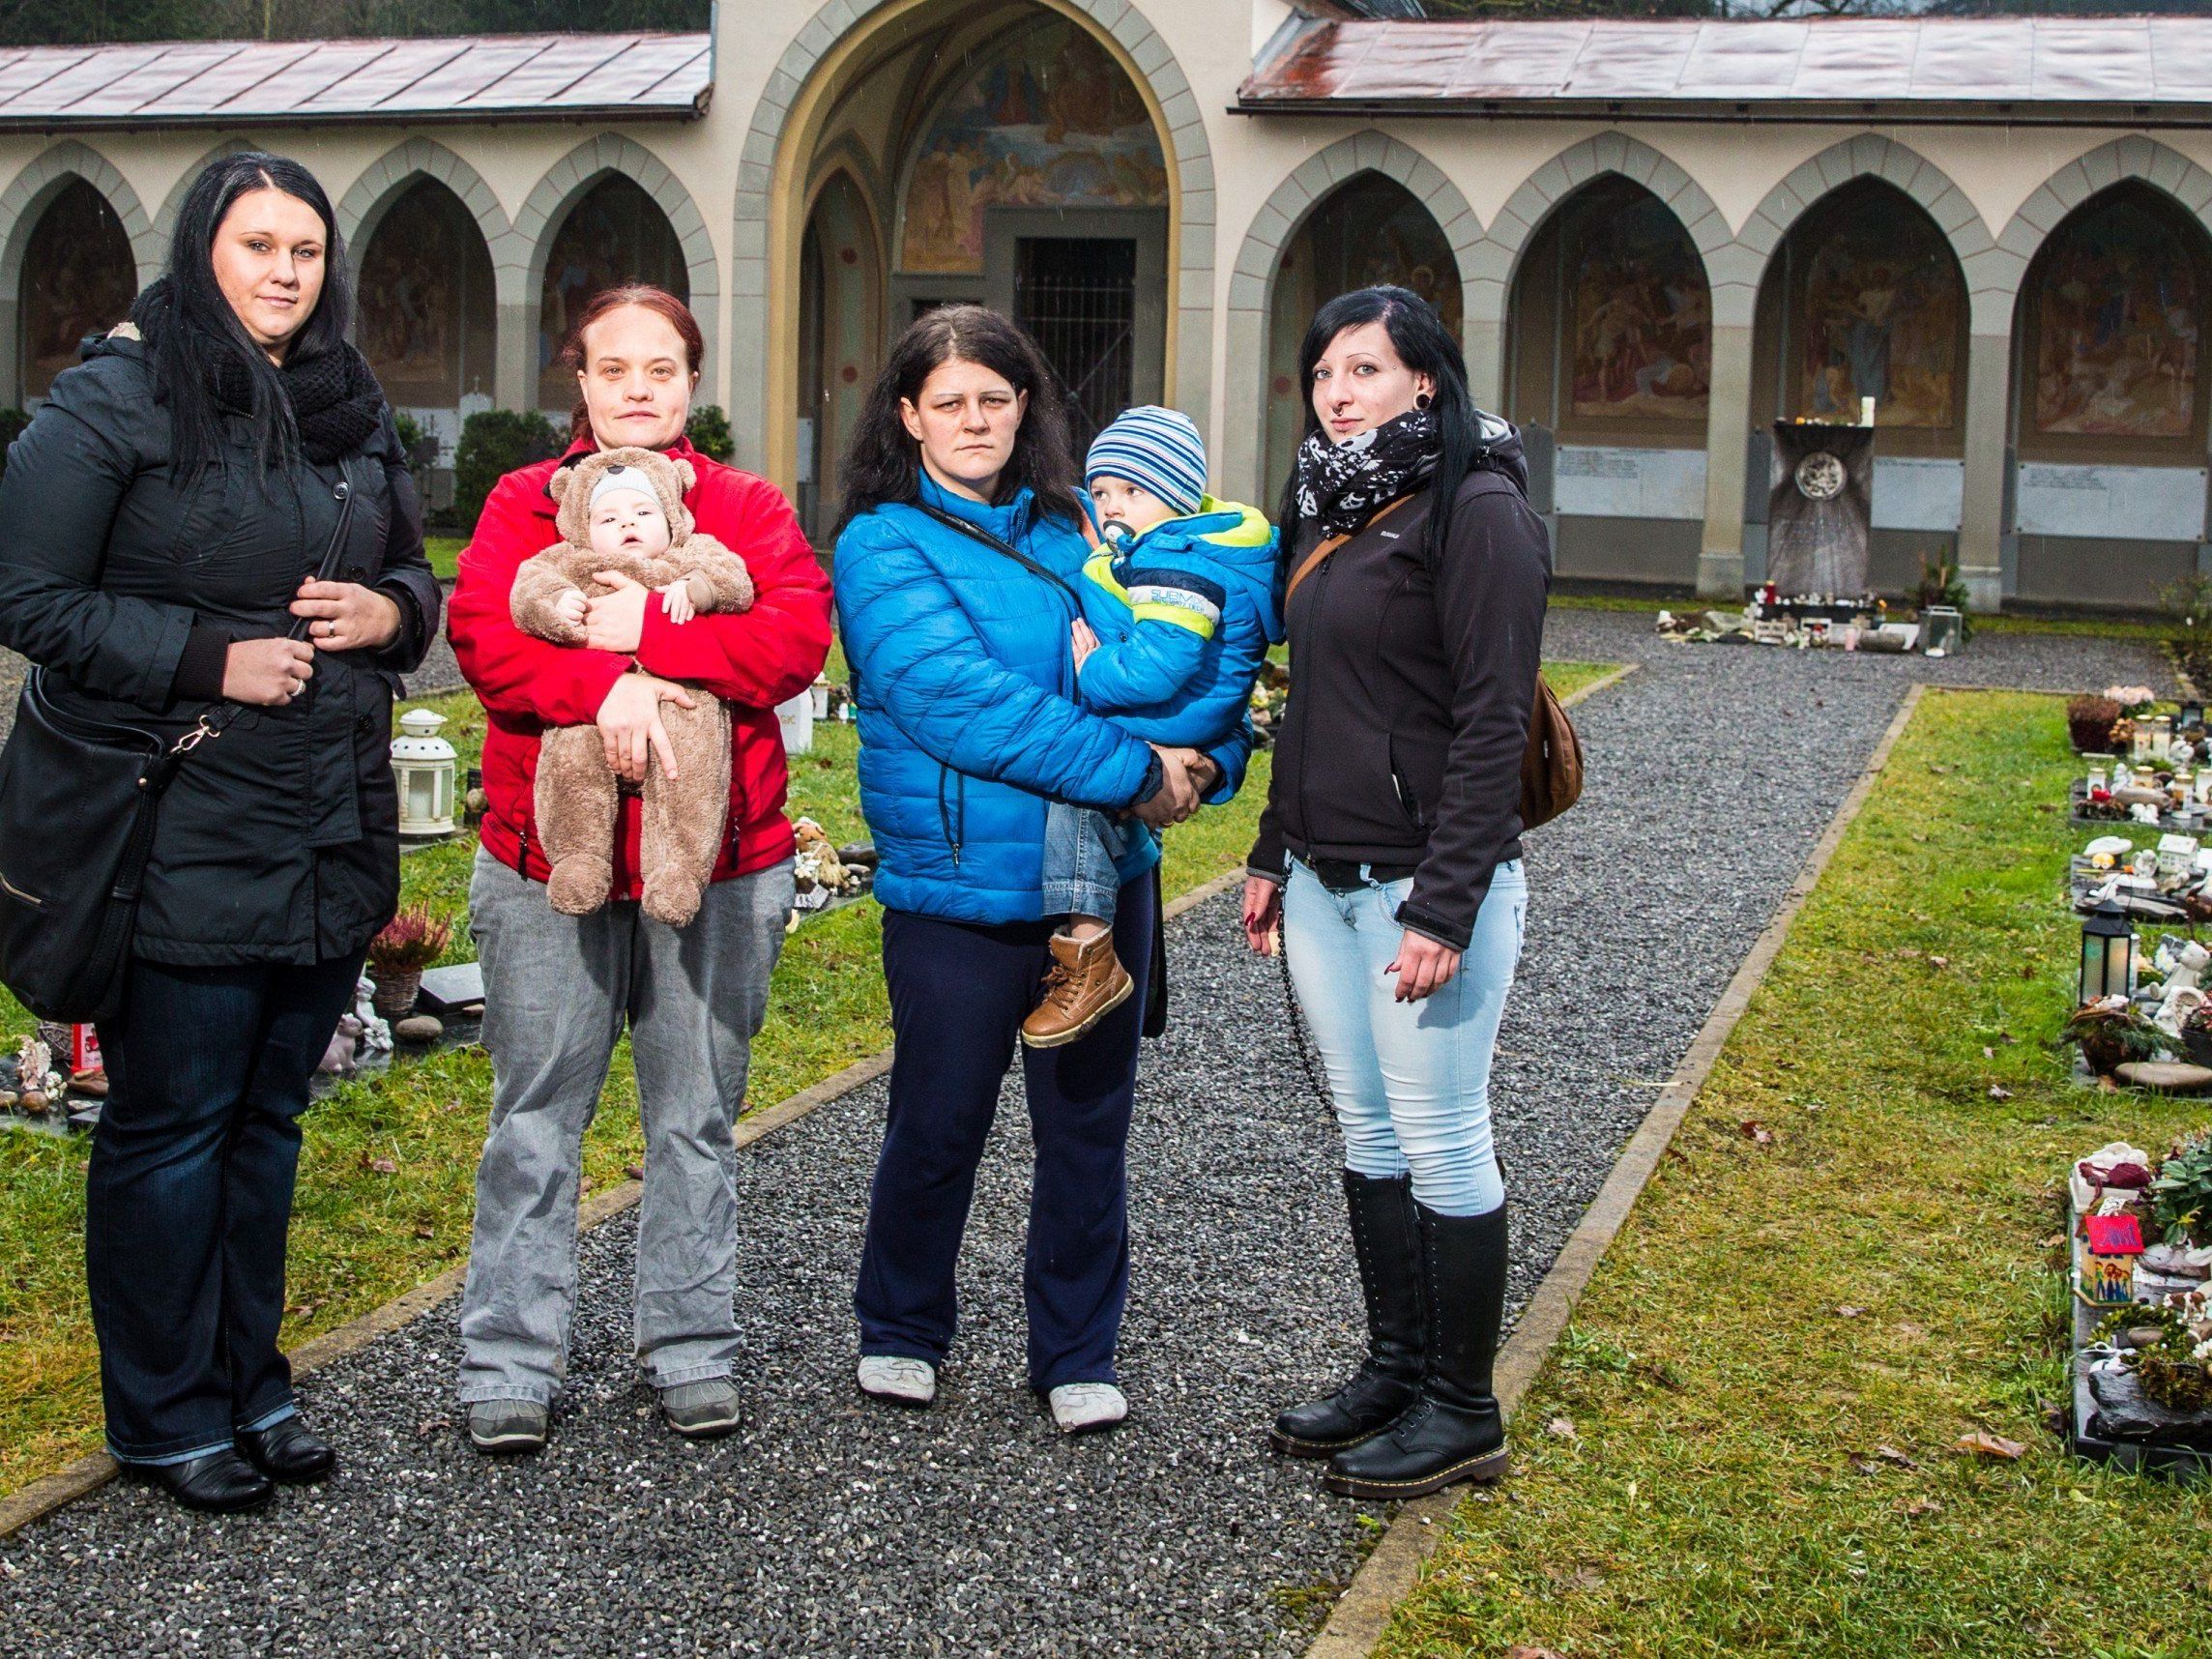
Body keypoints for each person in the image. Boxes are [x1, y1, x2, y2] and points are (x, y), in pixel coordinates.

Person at [0, 153, 441, 1512]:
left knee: (268, 1123)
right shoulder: (117, 398)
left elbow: (412, 572)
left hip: (324, 826)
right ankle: (165, 1412)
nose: (283, 271)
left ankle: (252, 1381)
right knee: (174, 1126)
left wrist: (391, 618)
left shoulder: (350, 410)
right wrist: (208, 656)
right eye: (256, 244)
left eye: (305, 248)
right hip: (176, 822)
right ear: (202, 251)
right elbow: (29, 597)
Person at [833, 306, 1246, 1435]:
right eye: (949, 401)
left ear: (1026, 409)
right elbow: (959, 704)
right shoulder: (881, 543)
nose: (974, 420)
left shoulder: (1085, 531)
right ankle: (902, 1326)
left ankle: (1075, 1349)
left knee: (1085, 1131)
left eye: (995, 399)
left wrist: (1210, 758)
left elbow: (1198, 646)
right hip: (961, 885)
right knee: (937, 1120)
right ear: (908, 414)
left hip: (1104, 884)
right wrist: (1134, 770)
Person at [446, 285, 831, 1454]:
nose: (637, 391)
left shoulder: (745, 509)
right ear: (580, 381)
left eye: (661, 370)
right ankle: (509, 1358)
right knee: (534, 1120)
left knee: (694, 1115)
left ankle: (690, 1346)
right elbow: (487, 635)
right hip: (543, 861)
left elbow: (792, 638)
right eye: (615, 370)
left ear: (691, 384)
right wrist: (603, 687)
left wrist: (647, 642)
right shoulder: (529, 500)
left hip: (718, 864)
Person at [1242, 284, 1550, 1500]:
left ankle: (1463, 1409)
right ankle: (1396, 1370)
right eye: (1323, 373)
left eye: (1362, 370)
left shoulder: (1476, 509)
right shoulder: (1332, 507)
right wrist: (1270, 850)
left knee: (1439, 1136)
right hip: (1321, 876)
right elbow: (1306, 701)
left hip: (1417, 885)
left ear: (1423, 378)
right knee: (1368, 1136)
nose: (1336, 392)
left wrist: (1445, 907)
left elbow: (1490, 725)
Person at [1022, 405, 1279, 1048]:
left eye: (1131, 492)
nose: (1113, 506)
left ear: (1176, 494)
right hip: (1192, 718)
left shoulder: (1173, 561)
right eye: (1104, 490)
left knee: (1080, 792)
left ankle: (1087, 949)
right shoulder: (1173, 547)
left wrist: (1095, 673)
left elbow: (1163, 664)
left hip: (1162, 709)